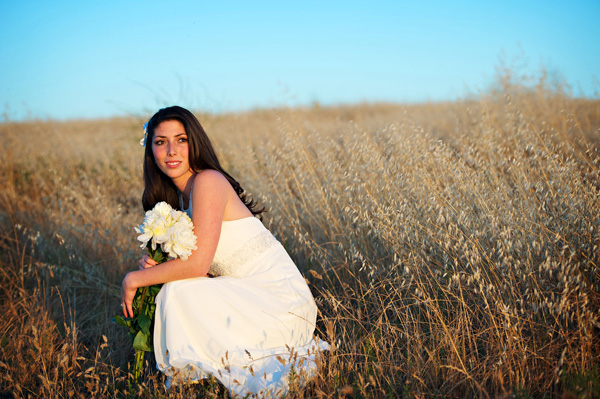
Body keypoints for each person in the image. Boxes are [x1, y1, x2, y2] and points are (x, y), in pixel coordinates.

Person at [120, 106, 328, 397]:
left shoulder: (208, 181)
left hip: (280, 301)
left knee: (176, 293)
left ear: (195, 142)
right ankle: (197, 377)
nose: (171, 150)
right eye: (160, 142)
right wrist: (156, 267)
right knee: (176, 288)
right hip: (244, 293)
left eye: (181, 140)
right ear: (151, 151)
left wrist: (135, 279)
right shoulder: (180, 202)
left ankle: (190, 377)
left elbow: (197, 265)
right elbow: (203, 268)